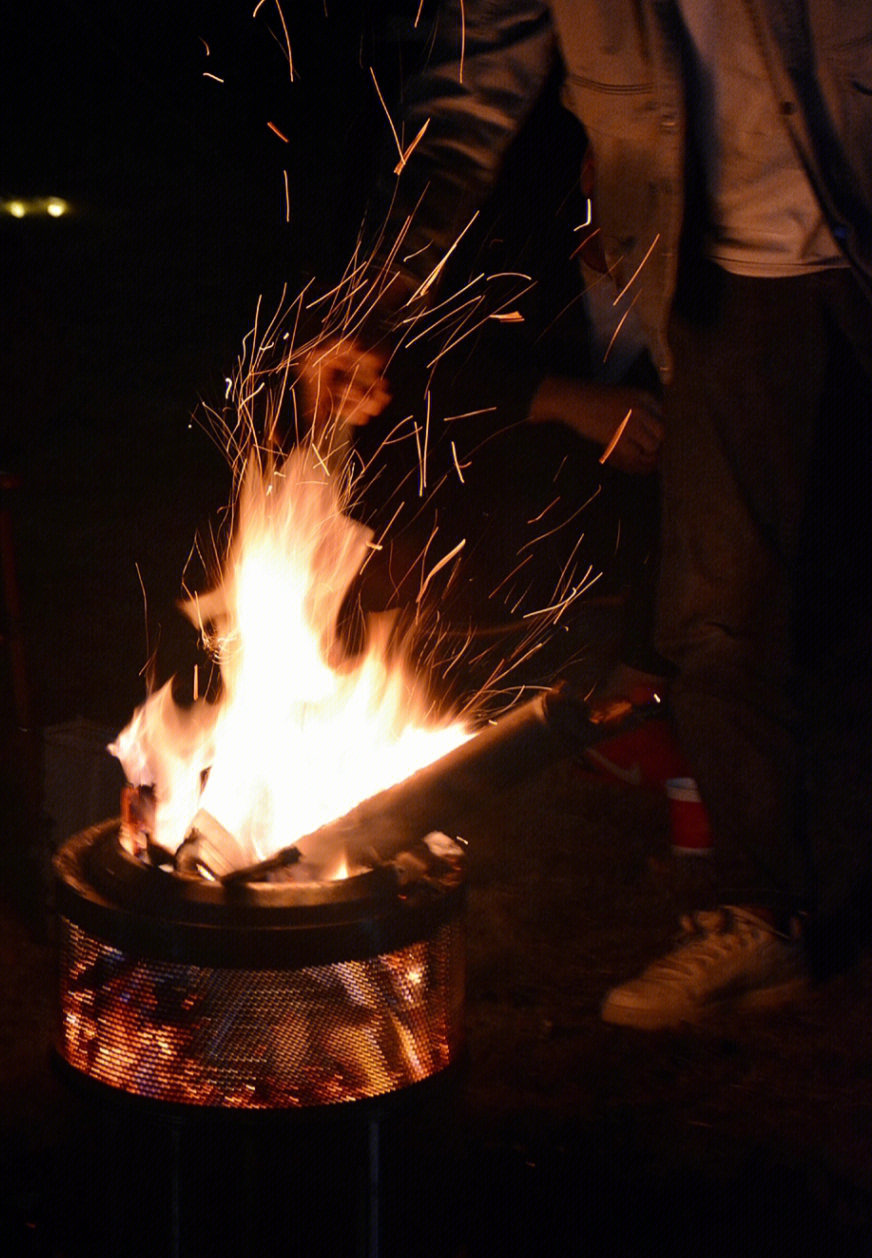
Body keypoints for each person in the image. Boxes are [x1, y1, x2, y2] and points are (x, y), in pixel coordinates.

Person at [298, 2, 872, 1028]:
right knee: (718, 611)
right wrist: (372, 313)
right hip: (731, 280)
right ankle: (754, 917)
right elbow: (464, 104)